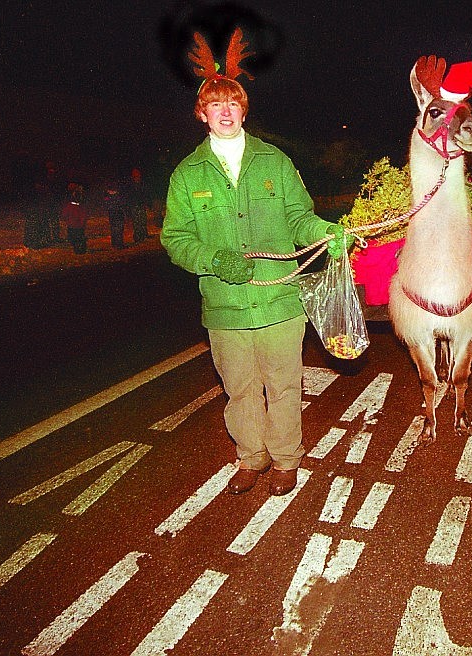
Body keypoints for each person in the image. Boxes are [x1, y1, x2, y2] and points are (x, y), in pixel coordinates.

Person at [160, 29, 347, 497]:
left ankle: (285, 459)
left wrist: (324, 232)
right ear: (202, 114)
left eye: (233, 104)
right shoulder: (187, 175)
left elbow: (299, 217)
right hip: (224, 307)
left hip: (279, 301)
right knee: (240, 391)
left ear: (244, 110)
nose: (225, 112)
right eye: (215, 105)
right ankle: (252, 457)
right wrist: (213, 259)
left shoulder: (275, 162)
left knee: (283, 386)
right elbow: (175, 238)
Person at [122, 167, 150, 243]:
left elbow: (145, 192)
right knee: (136, 221)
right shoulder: (130, 183)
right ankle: (137, 236)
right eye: (135, 173)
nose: (137, 174)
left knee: (143, 219)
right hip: (134, 204)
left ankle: (144, 234)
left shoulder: (142, 182)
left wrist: (146, 202)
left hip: (141, 203)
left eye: (137, 173)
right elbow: (128, 194)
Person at [61, 183, 89, 254]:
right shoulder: (82, 207)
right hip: (80, 225)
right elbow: (85, 215)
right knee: (79, 237)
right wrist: (83, 222)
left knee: (74, 237)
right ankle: (81, 248)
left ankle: (77, 248)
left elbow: (65, 214)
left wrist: (66, 220)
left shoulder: (69, 206)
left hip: (72, 225)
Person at [103, 178, 126, 248]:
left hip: (112, 214)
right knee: (118, 229)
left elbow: (106, 205)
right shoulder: (118, 196)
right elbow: (122, 204)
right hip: (118, 214)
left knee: (114, 229)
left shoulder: (107, 197)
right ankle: (119, 244)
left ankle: (115, 243)